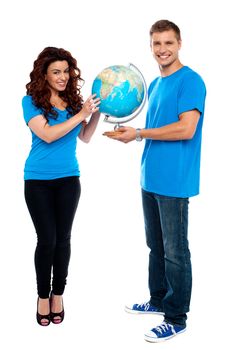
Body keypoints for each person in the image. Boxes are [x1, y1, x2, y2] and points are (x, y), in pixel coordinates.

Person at [104, 20, 206, 342]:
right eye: (157, 44)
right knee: (156, 247)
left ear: (179, 44)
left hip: (174, 181)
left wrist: (138, 134)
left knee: (176, 251)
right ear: (151, 47)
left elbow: (186, 128)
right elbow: (154, 126)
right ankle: (158, 299)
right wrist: (128, 130)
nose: (162, 49)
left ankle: (176, 317)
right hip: (150, 177)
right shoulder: (155, 84)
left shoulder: (191, 81)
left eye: (168, 43)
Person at [22, 47, 100, 326]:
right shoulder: (30, 101)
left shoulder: (73, 102)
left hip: (69, 179)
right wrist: (81, 115)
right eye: (56, 71)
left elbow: (86, 137)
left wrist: (96, 114)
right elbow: (47, 134)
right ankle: (43, 296)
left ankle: (58, 294)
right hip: (37, 181)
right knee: (47, 240)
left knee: (63, 239)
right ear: (44, 74)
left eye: (66, 71)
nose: (63, 77)